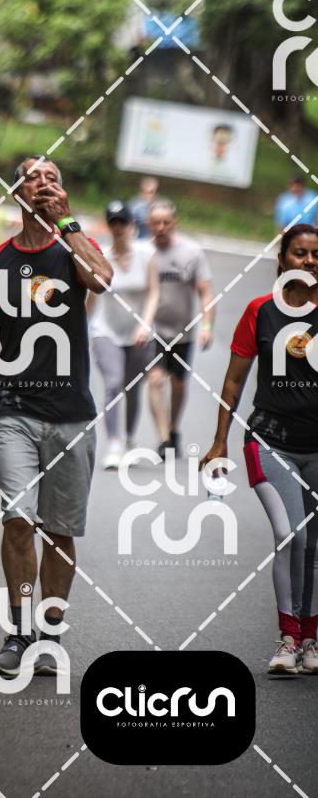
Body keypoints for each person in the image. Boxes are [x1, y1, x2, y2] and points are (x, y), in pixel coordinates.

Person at [0, 155, 112, 677]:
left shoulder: (75, 250)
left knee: (60, 531)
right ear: (17, 192)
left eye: (54, 177)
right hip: (13, 410)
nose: (44, 183)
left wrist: (68, 223)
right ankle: (19, 630)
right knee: (18, 519)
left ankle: (50, 631)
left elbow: (102, 281)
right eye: (33, 177)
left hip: (72, 412)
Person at [200, 224, 318, 675]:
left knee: (315, 545)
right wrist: (219, 441)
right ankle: (288, 639)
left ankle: (311, 640)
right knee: (291, 535)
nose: (309, 262)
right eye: (300, 253)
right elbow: (233, 380)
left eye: (316, 255)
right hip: (271, 442)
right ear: (282, 259)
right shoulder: (260, 311)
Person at [87, 200, 159, 469]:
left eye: (123, 222)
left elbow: (154, 293)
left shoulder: (146, 253)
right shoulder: (101, 257)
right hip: (106, 331)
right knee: (114, 383)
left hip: (139, 334)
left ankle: (129, 437)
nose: (118, 227)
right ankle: (114, 444)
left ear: (131, 224)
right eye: (113, 222)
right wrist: (79, 327)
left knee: (132, 388)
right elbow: (92, 297)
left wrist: (145, 324)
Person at [147, 200, 214, 459]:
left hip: (183, 333)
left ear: (174, 223)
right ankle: (163, 438)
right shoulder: (144, 252)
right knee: (155, 380)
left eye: (166, 222)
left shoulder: (192, 252)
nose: (161, 227)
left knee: (178, 384)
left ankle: (174, 428)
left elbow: (205, 293)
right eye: (156, 223)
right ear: (149, 224)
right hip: (153, 330)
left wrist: (206, 326)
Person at [128, 175, 160, 239]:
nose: (152, 195)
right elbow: (129, 225)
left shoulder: (161, 205)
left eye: (154, 191)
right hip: (140, 239)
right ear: (141, 192)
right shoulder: (134, 206)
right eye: (149, 192)